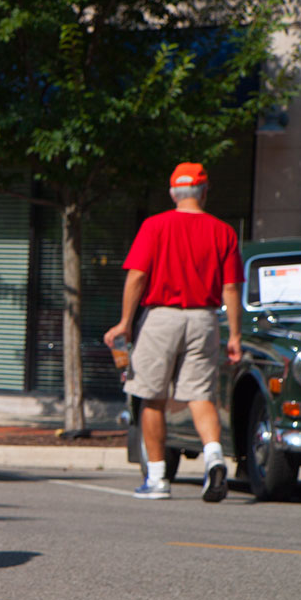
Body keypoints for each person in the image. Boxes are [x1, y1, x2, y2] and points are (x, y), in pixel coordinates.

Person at [104, 162, 243, 502]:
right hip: (204, 318)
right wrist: (235, 335)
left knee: (152, 395)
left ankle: (157, 478)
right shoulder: (222, 231)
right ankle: (213, 457)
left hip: (161, 317)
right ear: (205, 191)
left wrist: (124, 322)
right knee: (200, 395)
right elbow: (230, 288)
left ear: (172, 193)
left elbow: (136, 276)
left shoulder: (155, 225)